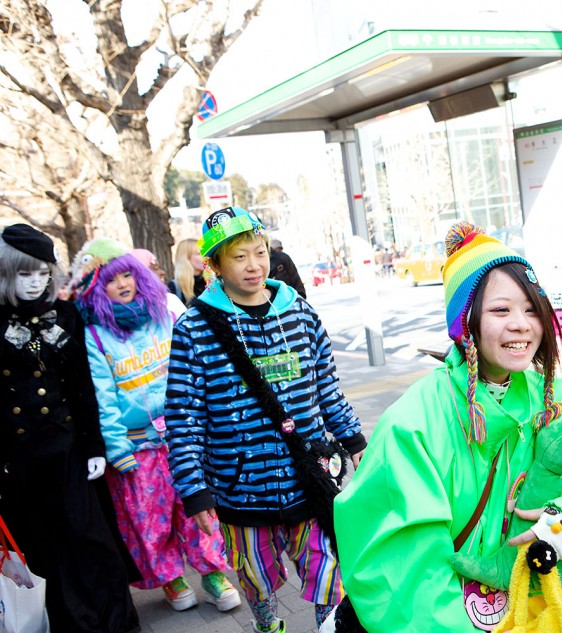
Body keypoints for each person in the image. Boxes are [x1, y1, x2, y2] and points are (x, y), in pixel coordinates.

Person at [334, 221, 562, 632]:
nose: (522, 324)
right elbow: (405, 573)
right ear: (465, 322)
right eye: (501, 309)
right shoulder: (413, 423)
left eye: (531, 309)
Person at [163, 206, 367, 633]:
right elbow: (183, 417)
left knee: (330, 577)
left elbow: (327, 387)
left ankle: (329, 626)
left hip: (309, 479)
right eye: (239, 257)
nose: (254, 265)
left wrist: (353, 439)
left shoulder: (302, 314)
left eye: (259, 252)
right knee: (256, 580)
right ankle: (268, 625)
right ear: (214, 264)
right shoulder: (194, 328)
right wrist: (195, 491)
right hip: (241, 492)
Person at [72, 237, 241, 613]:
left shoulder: (163, 315)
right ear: (96, 288)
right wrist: (116, 448)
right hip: (137, 447)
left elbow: (193, 371)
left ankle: (213, 573)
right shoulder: (96, 335)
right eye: (111, 280)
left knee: (197, 508)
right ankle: (171, 578)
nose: (122, 284)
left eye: (128, 274)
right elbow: (103, 397)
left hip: (183, 438)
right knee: (151, 521)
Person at [0, 224, 140, 633]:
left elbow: (84, 387)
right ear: (7, 273)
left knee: (91, 537)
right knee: (42, 547)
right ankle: (67, 623)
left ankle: (114, 621)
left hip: (70, 450)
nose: (35, 283)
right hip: (20, 458)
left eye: (42, 273)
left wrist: (95, 446)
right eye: (25, 274)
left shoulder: (64, 315)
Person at [168, 237, 206, 305]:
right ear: (186, 258)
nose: (205, 257)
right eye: (199, 254)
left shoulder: (211, 283)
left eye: (205, 253)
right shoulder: (175, 287)